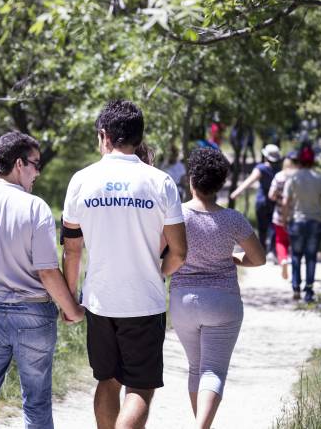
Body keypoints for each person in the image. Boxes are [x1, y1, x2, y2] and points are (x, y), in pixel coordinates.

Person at [61, 100, 187, 429]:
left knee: (107, 380)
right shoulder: (161, 182)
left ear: (104, 135)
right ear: (139, 136)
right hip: (144, 301)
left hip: (99, 301)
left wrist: (70, 298)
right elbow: (179, 251)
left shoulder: (81, 180)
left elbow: (72, 249)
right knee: (140, 388)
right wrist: (158, 272)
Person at [0, 132, 85, 429]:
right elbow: (47, 271)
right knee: (36, 402)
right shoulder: (35, 207)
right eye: (36, 164)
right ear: (19, 164)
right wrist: (72, 310)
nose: (38, 172)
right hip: (33, 315)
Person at [167, 147, 266, 429]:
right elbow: (258, 258)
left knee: (196, 368)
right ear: (221, 183)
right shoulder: (233, 219)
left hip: (183, 301)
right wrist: (232, 258)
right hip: (223, 302)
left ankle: (200, 424)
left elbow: (163, 254)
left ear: (191, 180)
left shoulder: (176, 216)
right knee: (213, 370)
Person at [282, 146, 321, 303]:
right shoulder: (320, 178)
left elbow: (285, 202)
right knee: (311, 257)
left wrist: (284, 220)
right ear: (313, 161)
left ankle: (296, 288)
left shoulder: (293, 178)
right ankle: (309, 292)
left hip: (297, 222)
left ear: (299, 160)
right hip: (315, 222)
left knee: (296, 256)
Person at [230, 143, 282, 260]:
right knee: (273, 226)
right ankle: (272, 251)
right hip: (275, 202)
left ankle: (262, 251)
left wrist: (236, 192)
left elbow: (249, 181)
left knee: (262, 227)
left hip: (262, 202)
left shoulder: (261, 168)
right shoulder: (279, 170)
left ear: (266, 156)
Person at [268, 151, 299, 280]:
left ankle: (283, 260)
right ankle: (296, 271)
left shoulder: (279, 176)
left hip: (280, 215)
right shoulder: (299, 177)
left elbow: (271, 195)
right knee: (295, 242)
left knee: (280, 241)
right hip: (296, 215)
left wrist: (278, 196)